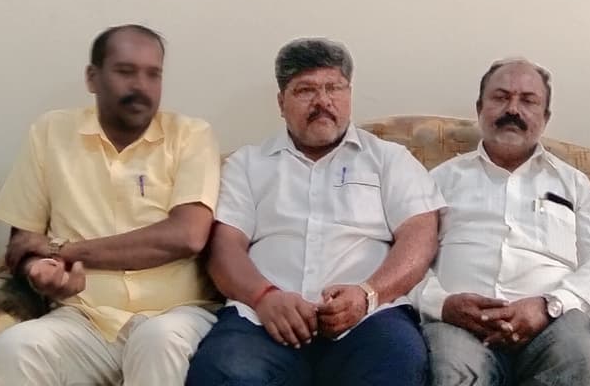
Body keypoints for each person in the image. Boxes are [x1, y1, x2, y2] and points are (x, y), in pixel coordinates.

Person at [186, 37, 445, 386]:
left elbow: (420, 235)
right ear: (281, 102)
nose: (323, 101)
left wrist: (368, 294)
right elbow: (224, 247)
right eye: (305, 90)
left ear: (349, 93)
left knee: (398, 362)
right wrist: (264, 297)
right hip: (261, 320)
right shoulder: (248, 164)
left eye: (333, 88)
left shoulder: (389, 159)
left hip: (369, 318)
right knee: (223, 370)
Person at [0, 24, 221, 385]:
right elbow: (23, 244)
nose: (141, 86)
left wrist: (64, 250)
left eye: (153, 74)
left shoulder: (191, 135)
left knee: (157, 340)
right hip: (84, 319)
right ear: (92, 77)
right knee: (16, 347)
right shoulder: (51, 133)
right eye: (126, 71)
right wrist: (41, 271)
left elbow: (186, 236)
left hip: (175, 316)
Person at [416, 58, 590, 386]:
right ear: (480, 108)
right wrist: (443, 304)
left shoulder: (574, 184)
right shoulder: (439, 180)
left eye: (528, 101)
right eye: (500, 97)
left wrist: (548, 306)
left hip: (554, 324)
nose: (513, 109)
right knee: (451, 372)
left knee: (583, 365)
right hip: (459, 325)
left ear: (545, 117)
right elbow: (406, 261)